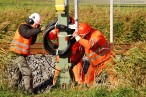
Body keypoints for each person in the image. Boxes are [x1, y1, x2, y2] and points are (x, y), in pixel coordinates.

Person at [71, 23, 117, 88]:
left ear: (86, 34)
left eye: (82, 36)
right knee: (88, 80)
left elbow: (89, 45)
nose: (81, 38)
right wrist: (73, 62)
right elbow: (80, 53)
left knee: (114, 79)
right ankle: (88, 93)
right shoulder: (84, 38)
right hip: (95, 64)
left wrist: (78, 38)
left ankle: (119, 90)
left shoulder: (97, 35)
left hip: (107, 60)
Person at [10, 13, 45, 93]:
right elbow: (26, 34)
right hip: (17, 53)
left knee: (17, 73)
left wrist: (37, 31)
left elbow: (32, 42)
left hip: (20, 54)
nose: (36, 26)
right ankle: (29, 92)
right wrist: (39, 30)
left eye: (38, 25)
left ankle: (12, 90)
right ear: (31, 21)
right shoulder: (23, 27)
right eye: (36, 24)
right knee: (27, 73)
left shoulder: (30, 29)